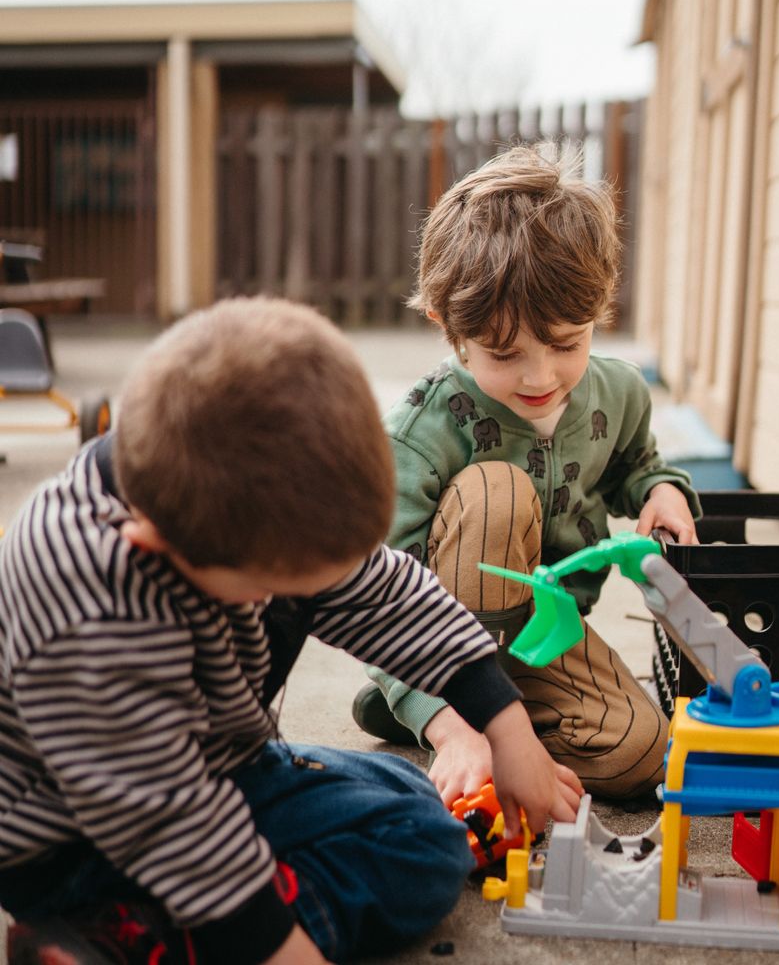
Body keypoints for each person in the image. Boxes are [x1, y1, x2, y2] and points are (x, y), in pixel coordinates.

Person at [0, 297, 581, 965]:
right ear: (155, 543)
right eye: (272, 586)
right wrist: (282, 945)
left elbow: (386, 595)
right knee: (419, 854)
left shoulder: (238, 502)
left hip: (218, 761)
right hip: (78, 840)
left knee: (414, 802)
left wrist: (507, 730)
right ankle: (127, 937)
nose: (285, 600)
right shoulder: (91, 611)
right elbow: (170, 822)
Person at [353, 144, 701, 809]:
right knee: (495, 490)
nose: (539, 377)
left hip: (544, 636)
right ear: (449, 327)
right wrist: (454, 727)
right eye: (505, 354)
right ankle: (437, 711)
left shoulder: (620, 394)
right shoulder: (419, 433)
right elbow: (373, 594)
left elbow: (640, 463)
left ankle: (479, 719)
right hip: (438, 640)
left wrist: (660, 491)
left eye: (567, 344)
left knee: (643, 754)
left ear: (601, 311)